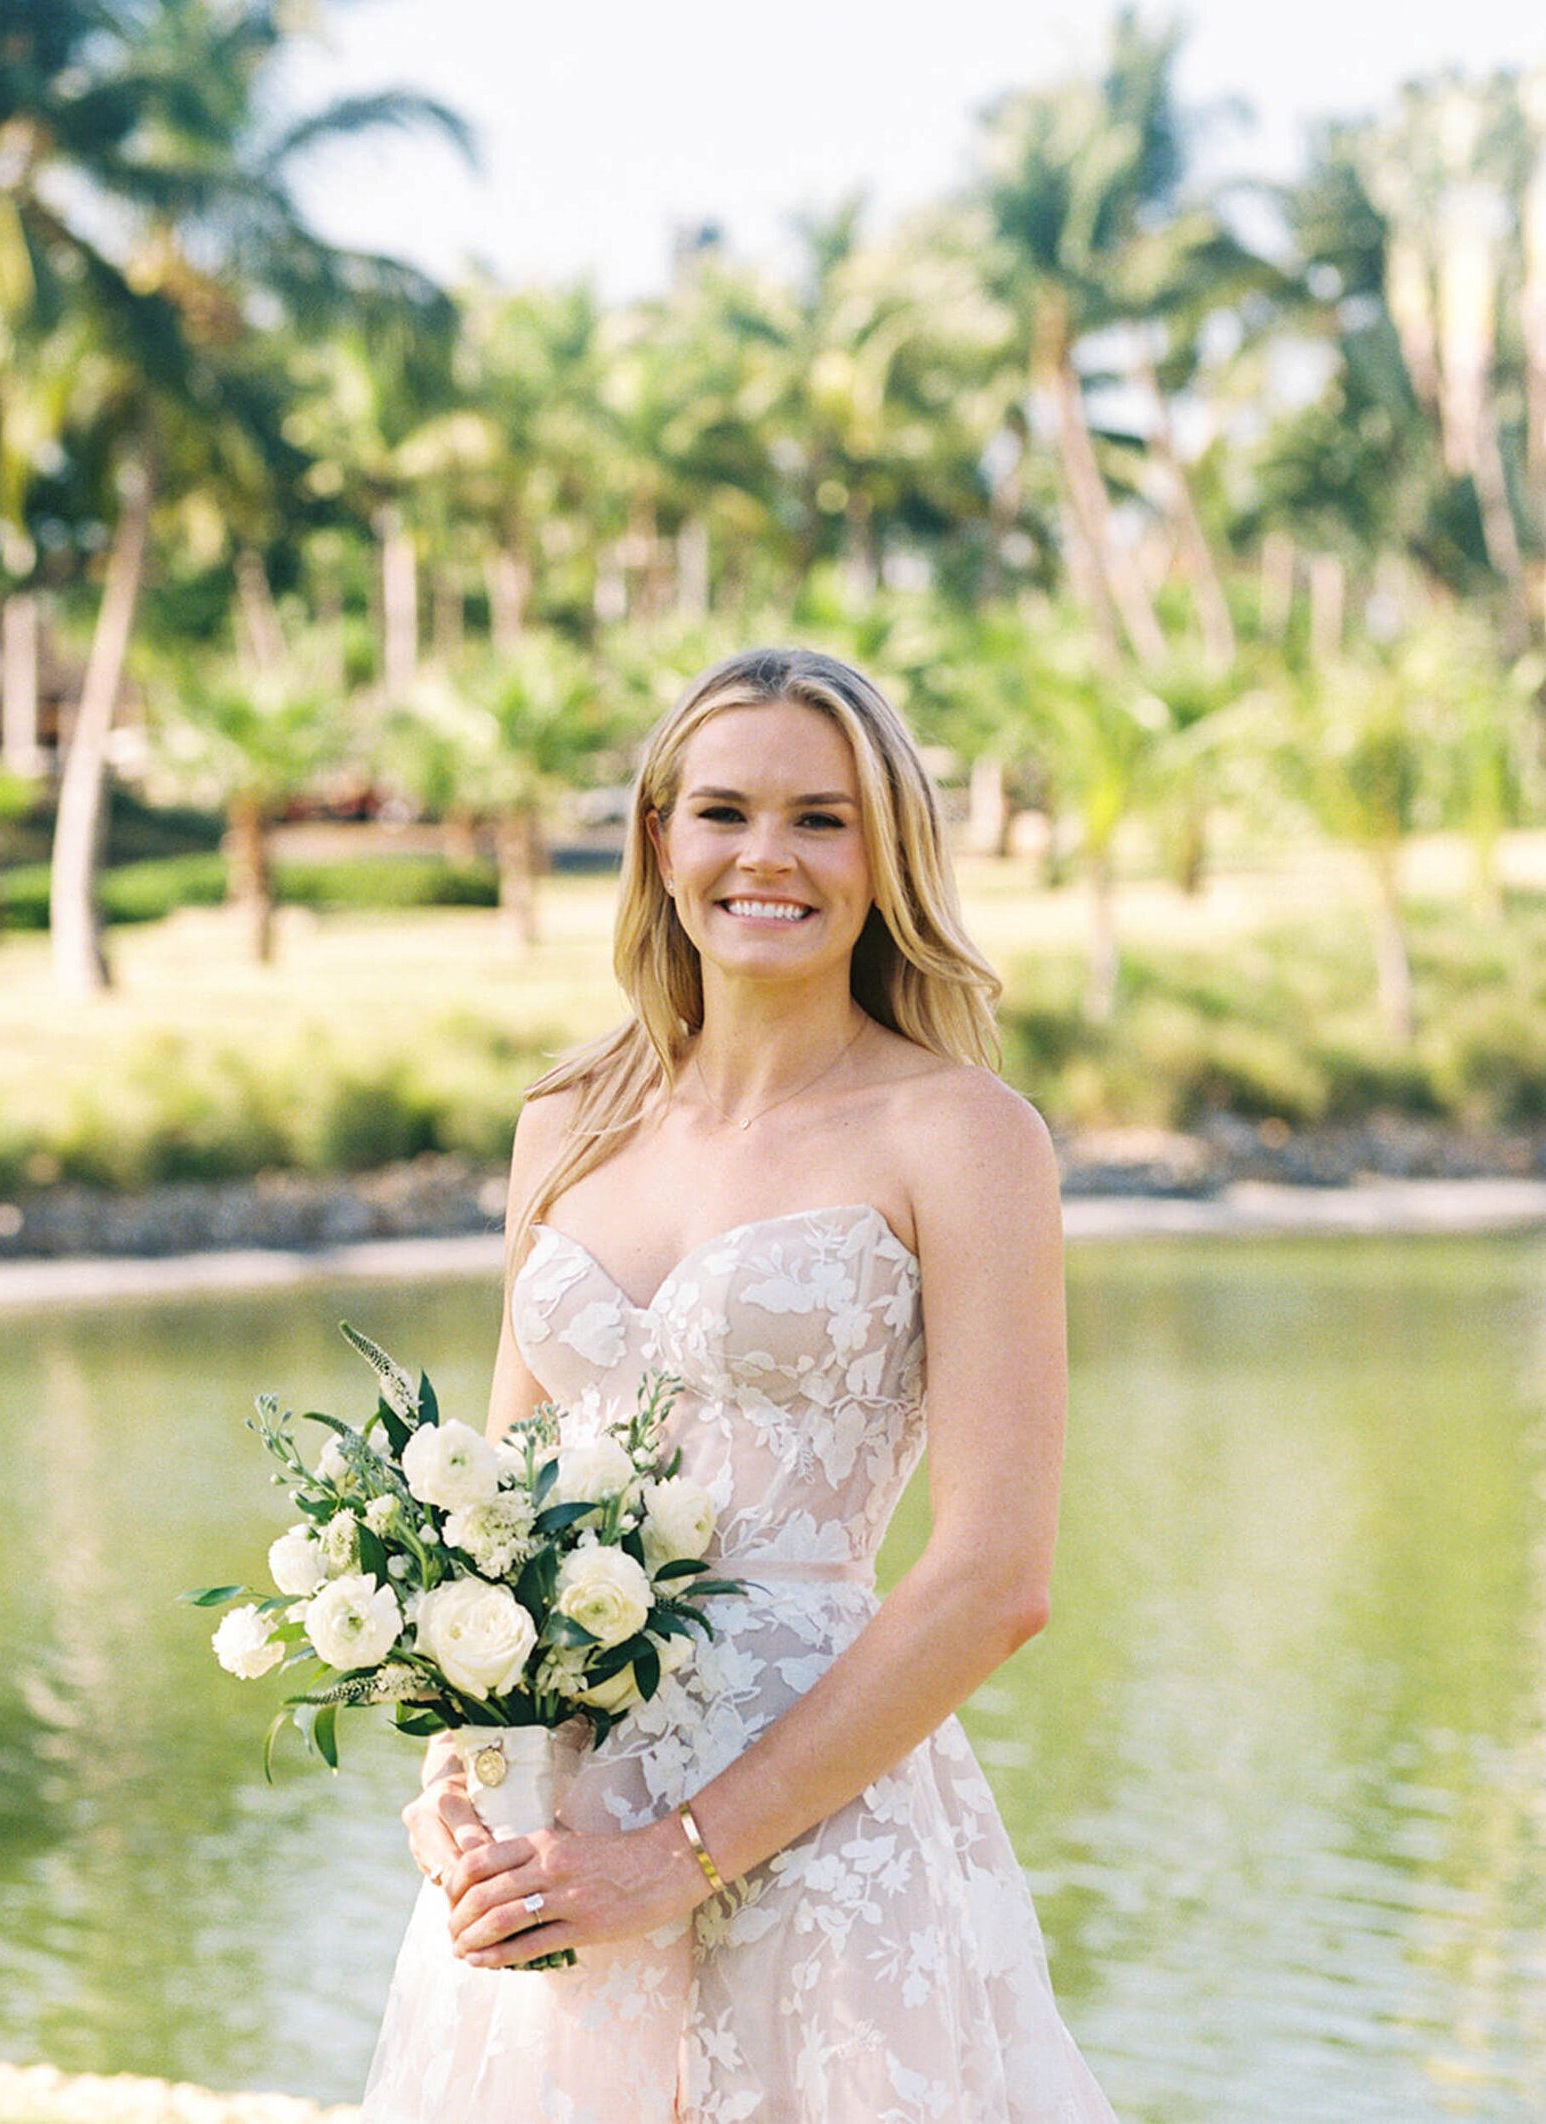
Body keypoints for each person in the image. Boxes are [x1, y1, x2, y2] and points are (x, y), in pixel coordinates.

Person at [362, 647, 1118, 2122]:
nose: (767, 856)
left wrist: (675, 1860)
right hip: (556, 1826)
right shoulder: (565, 1121)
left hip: (824, 1821)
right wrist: (464, 1789)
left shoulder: (963, 1135)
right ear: (660, 836)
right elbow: (486, 1527)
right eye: (725, 811)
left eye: (822, 819)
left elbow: (993, 1581)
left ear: (888, 850)